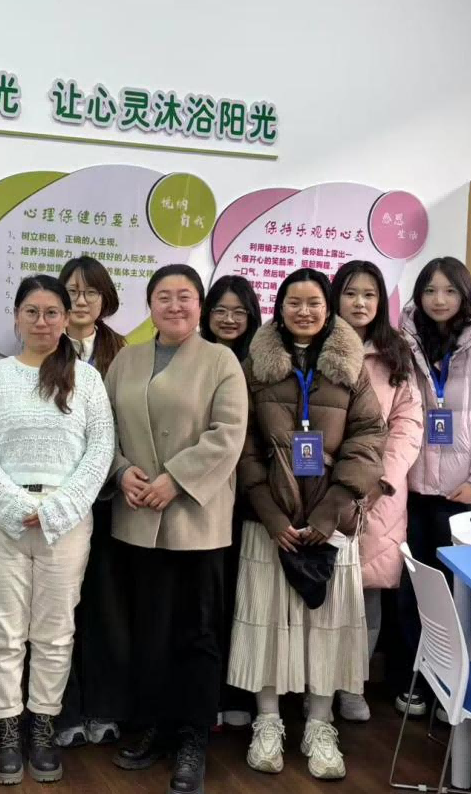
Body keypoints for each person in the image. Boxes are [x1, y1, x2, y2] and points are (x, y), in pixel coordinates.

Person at [228, 269, 386, 780]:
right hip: (268, 519)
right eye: (293, 302)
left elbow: (369, 436)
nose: (304, 311)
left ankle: (320, 724)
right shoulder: (255, 365)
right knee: (266, 621)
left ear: (328, 308)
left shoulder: (350, 365)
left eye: (314, 303)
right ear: (279, 308)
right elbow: (242, 442)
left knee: (329, 626)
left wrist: (332, 509)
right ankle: (267, 721)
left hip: (330, 518)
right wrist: (270, 513)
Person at [0, 275, 115, 786]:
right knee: (4, 632)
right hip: (2, 522)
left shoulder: (87, 380)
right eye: (32, 311)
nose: (42, 322)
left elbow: (101, 450)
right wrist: (13, 505)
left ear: (66, 319)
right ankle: (7, 729)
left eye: (53, 313)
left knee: (54, 632)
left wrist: (57, 509)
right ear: (17, 317)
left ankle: (42, 727)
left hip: (66, 524)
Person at [104, 264, 248, 795]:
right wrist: (121, 471)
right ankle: (155, 727)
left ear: (200, 305)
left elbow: (228, 434)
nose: (174, 306)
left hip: (195, 521)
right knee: (148, 630)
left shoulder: (221, 360)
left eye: (185, 296)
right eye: (163, 296)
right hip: (137, 515)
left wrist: (176, 480)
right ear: (149, 305)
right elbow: (103, 428)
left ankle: (192, 737)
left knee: (197, 633)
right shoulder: (127, 359)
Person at [395, 256, 471, 717]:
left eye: (449, 290)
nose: (439, 299)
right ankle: (416, 678)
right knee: (413, 590)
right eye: (430, 290)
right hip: (410, 494)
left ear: (465, 294)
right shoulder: (402, 346)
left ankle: (455, 681)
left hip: (462, 497)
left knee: (457, 594)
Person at [329, 261, 423, 722]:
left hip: (378, 495)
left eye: (369, 294)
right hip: (322, 487)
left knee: (367, 595)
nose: (360, 303)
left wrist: (382, 480)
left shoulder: (395, 353)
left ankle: (353, 686)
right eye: (350, 293)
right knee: (320, 590)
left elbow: (408, 423)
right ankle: (316, 687)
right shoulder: (316, 344)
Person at [54, 257, 130, 749]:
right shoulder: (44, 345)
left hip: (109, 498)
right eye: (72, 291)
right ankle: (63, 709)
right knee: (60, 609)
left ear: (106, 300)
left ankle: (104, 706)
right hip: (59, 500)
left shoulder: (124, 353)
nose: (80, 301)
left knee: (106, 607)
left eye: (91, 292)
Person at [200, 274, 263, 731]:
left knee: (246, 600)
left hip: (253, 497)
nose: (228, 319)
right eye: (220, 310)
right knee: (210, 599)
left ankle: (239, 691)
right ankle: (209, 694)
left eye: (238, 311)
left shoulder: (263, 361)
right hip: (204, 495)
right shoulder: (195, 357)